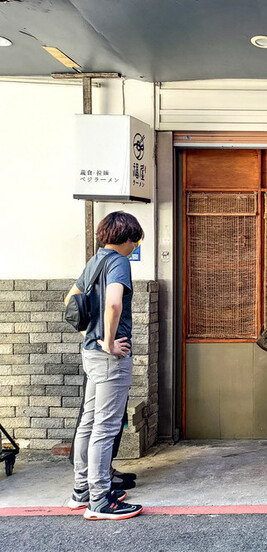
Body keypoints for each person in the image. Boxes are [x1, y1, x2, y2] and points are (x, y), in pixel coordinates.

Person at [63, 211, 144, 520]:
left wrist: (91, 334)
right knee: (105, 427)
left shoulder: (96, 260)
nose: (136, 245)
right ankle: (99, 501)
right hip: (110, 357)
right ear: (126, 239)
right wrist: (109, 341)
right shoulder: (118, 262)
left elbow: (71, 298)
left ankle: (81, 492)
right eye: (135, 240)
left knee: (89, 422)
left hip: (91, 353)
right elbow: (113, 302)